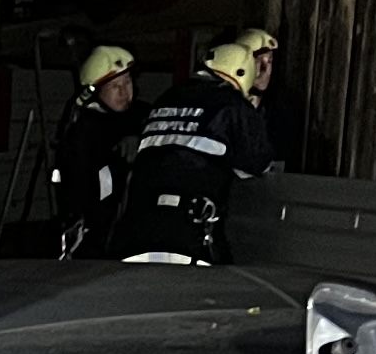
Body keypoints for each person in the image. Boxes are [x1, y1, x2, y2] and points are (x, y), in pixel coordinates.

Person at [112, 40, 273, 266]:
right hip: (188, 235)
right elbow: (258, 164)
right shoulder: (232, 105)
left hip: (137, 229)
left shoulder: (165, 98)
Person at [45, 46, 142, 258]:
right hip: (96, 239)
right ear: (94, 91)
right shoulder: (84, 131)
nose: (124, 91)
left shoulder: (142, 116)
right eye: (115, 85)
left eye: (127, 82)